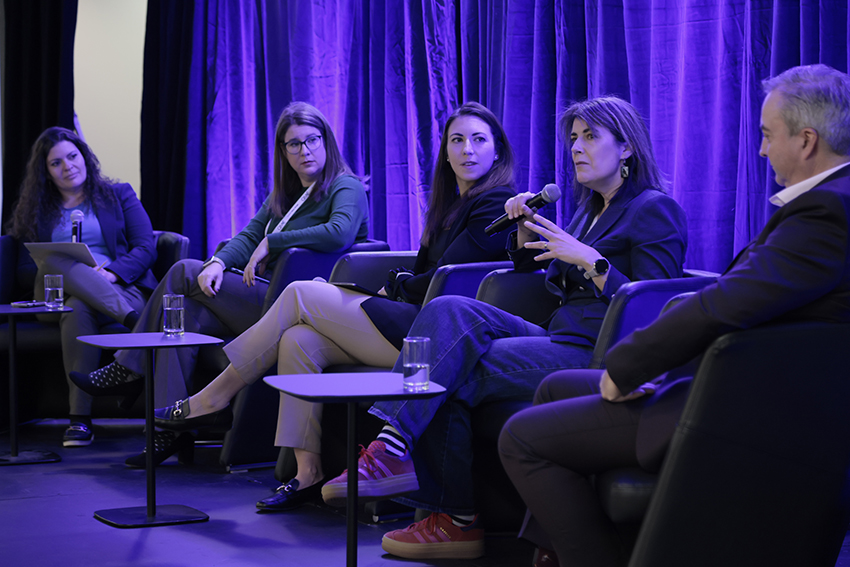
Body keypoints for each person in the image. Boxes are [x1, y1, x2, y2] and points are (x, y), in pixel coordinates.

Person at [498, 64, 850, 567]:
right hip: (732, 377)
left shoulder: (826, 212)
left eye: (768, 135)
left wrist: (628, 367)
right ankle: (556, 549)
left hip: (738, 402)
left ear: (807, 140)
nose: (761, 149)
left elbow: (725, 303)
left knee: (520, 438)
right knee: (555, 387)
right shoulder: (828, 205)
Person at [320, 95, 690, 561]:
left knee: (447, 371)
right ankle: (395, 449)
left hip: (595, 351)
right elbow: (542, 274)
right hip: (557, 334)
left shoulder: (654, 209)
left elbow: (653, 305)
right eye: (574, 138)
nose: (577, 147)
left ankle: (452, 518)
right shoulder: (588, 210)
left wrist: (593, 263)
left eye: (590, 137)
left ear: (627, 147)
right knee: (450, 309)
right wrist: (525, 231)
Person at [152, 101, 518, 510]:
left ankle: (213, 398)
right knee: (299, 340)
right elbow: (425, 272)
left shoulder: (495, 203)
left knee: (299, 293)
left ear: (497, 151)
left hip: (439, 336)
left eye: (478, 140)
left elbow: (447, 276)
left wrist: (395, 285)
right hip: (411, 316)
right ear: (446, 153)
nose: (467, 149)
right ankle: (306, 472)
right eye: (457, 140)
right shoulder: (450, 205)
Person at [70, 101, 370, 465]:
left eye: (312, 140)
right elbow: (248, 236)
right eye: (294, 144)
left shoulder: (345, 186)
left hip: (296, 306)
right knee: (182, 313)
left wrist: (272, 242)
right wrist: (218, 262)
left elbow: (339, 232)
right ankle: (170, 432)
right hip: (264, 296)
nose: (304, 151)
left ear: (326, 141)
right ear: (283, 151)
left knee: (182, 271)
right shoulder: (285, 195)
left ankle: (130, 367)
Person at [6, 127, 158, 448]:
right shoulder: (35, 209)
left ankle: (79, 420)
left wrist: (111, 274)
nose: (68, 166)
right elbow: (24, 269)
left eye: (72, 156)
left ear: (84, 156)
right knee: (56, 260)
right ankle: (136, 324)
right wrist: (63, 271)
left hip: (119, 288)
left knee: (78, 306)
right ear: (46, 172)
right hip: (54, 296)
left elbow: (146, 247)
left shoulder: (119, 194)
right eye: (56, 163)